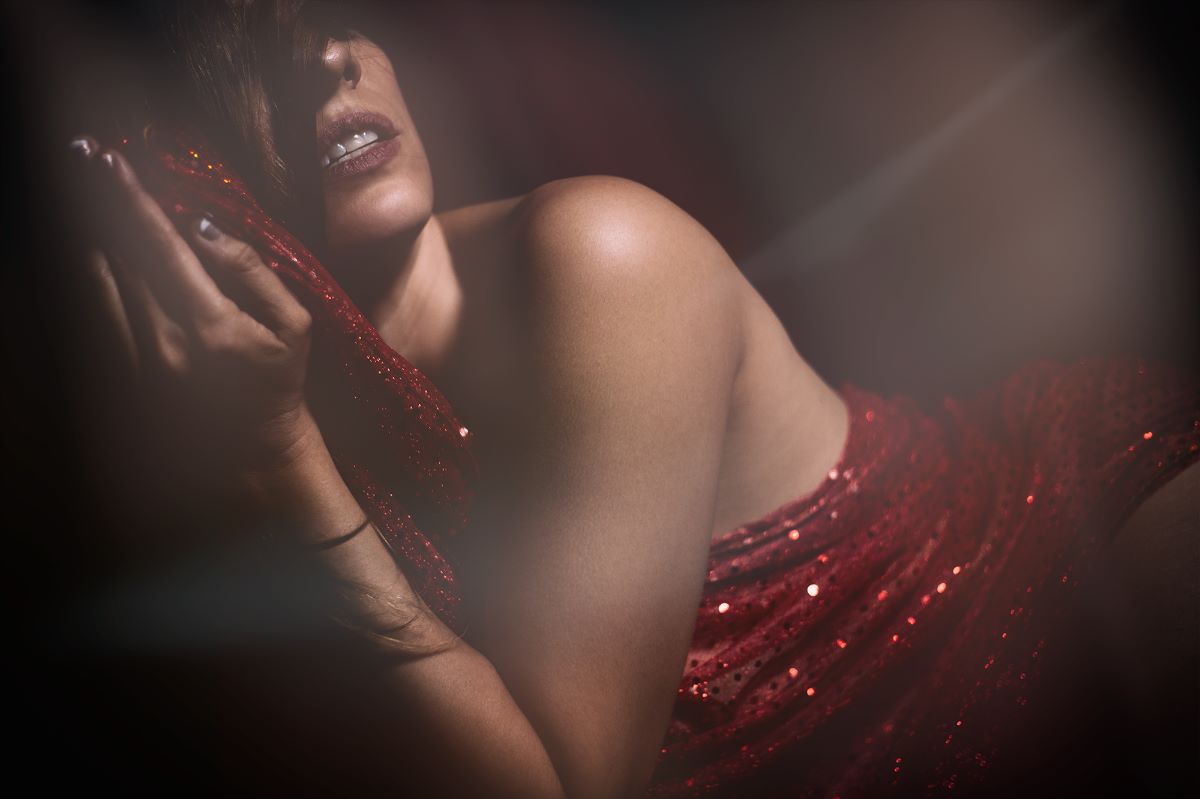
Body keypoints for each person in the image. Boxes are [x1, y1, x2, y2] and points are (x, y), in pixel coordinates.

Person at [40, 1, 1200, 796]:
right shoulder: (187, 445)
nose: (328, 62)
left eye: (336, 17)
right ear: (164, 174)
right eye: (245, 56)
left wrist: (278, 454)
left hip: (1035, 572)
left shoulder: (602, 253)